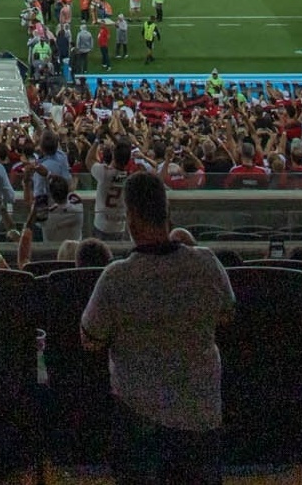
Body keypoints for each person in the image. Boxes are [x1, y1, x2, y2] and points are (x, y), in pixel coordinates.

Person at [80, 170, 234, 485]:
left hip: (139, 425)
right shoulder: (206, 264)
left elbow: (90, 340)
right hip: (202, 419)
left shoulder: (116, 278)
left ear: (130, 219)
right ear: (168, 215)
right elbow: (227, 316)